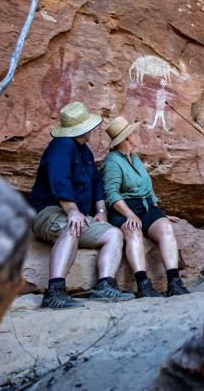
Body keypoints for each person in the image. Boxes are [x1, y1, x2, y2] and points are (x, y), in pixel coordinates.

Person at [29, 101, 134, 309]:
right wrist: (73, 211)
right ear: (83, 129)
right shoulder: (62, 146)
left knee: (113, 234)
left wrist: (101, 211)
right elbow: (59, 178)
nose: (94, 130)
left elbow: (96, 183)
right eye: (91, 127)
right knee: (72, 228)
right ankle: (55, 292)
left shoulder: (83, 150)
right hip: (48, 212)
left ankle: (105, 285)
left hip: (74, 213)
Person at [100, 116, 190, 297]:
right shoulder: (112, 162)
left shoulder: (134, 158)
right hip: (123, 209)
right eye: (132, 133)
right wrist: (130, 215)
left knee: (165, 226)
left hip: (147, 207)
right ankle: (143, 285)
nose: (136, 135)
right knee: (133, 231)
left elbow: (148, 190)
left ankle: (174, 283)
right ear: (126, 138)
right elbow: (112, 194)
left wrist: (159, 213)